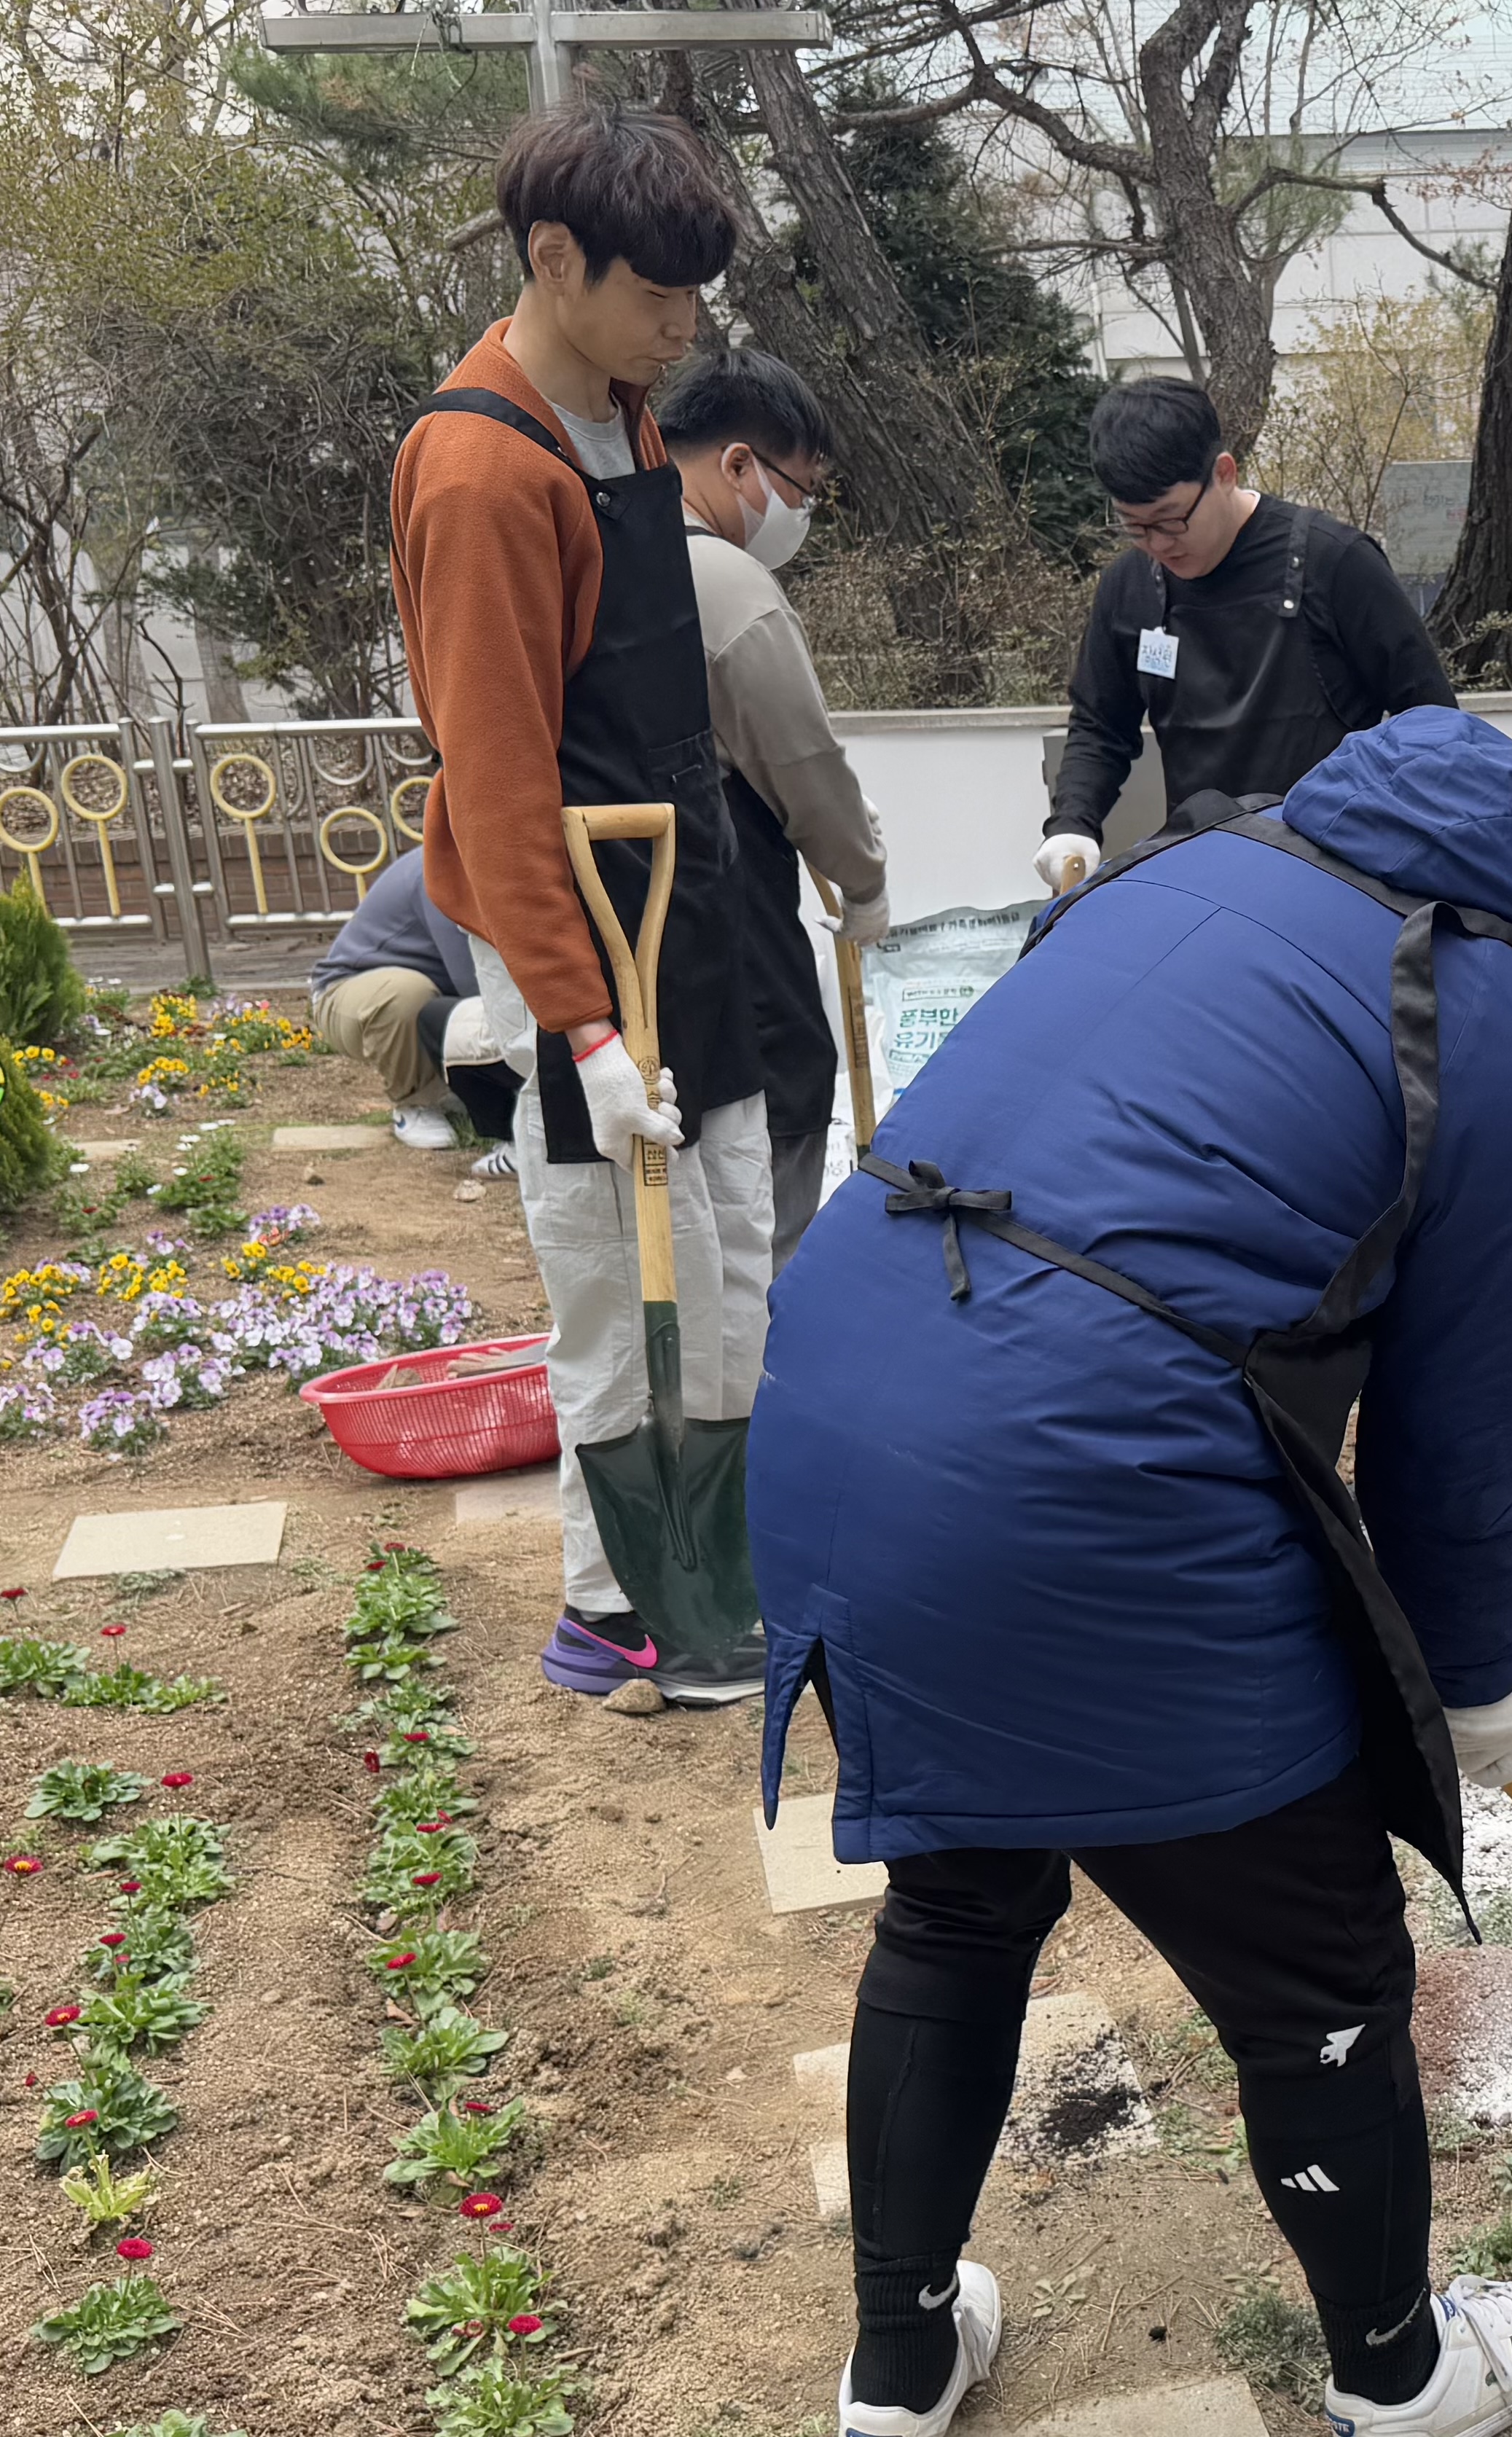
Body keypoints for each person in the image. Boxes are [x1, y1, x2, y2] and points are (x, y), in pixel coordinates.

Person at [748, 705, 1512, 2437]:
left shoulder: (1203, 859)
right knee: (1318, 1971)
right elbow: (1448, 1451)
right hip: (1079, 1474)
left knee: (965, 1894)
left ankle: (902, 2353)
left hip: (843, 1408)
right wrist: (1479, 1686)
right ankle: (1399, 2366)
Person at [388, 97, 770, 1705]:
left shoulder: (623, 412)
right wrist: (585, 1027)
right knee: (627, 1266)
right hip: (581, 922)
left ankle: (681, 1579)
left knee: (727, 1240)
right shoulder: (481, 472)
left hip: (675, 886)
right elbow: (490, 777)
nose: (682, 333)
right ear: (555, 259)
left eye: (697, 301)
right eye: (656, 297)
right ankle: (641, 1608)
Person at [652, 344, 890, 1271]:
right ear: (739, 464)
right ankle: (755, 1383)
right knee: (779, 1114)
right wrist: (864, 876)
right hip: (726, 914)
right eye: (804, 489)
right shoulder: (726, 585)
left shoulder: (598, 544)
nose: (802, 514)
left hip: (630, 932)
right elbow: (802, 764)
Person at [1033, 376, 1456, 895]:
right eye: (1134, 527)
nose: (1158, 545)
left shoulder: (1335, 562)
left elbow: (1433, 722)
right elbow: (1101, 727)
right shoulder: (1129, 586)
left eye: (1171, 520)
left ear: (1223, 473)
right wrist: (1072, 824)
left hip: (1337, 871)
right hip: (1202, 867)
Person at [305, 845, 521, 1175]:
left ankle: (453, 1091)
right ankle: (414, 1103)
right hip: (345, 993)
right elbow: (473, 979)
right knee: (407, 994)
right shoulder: (441, 871)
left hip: (431, 995)